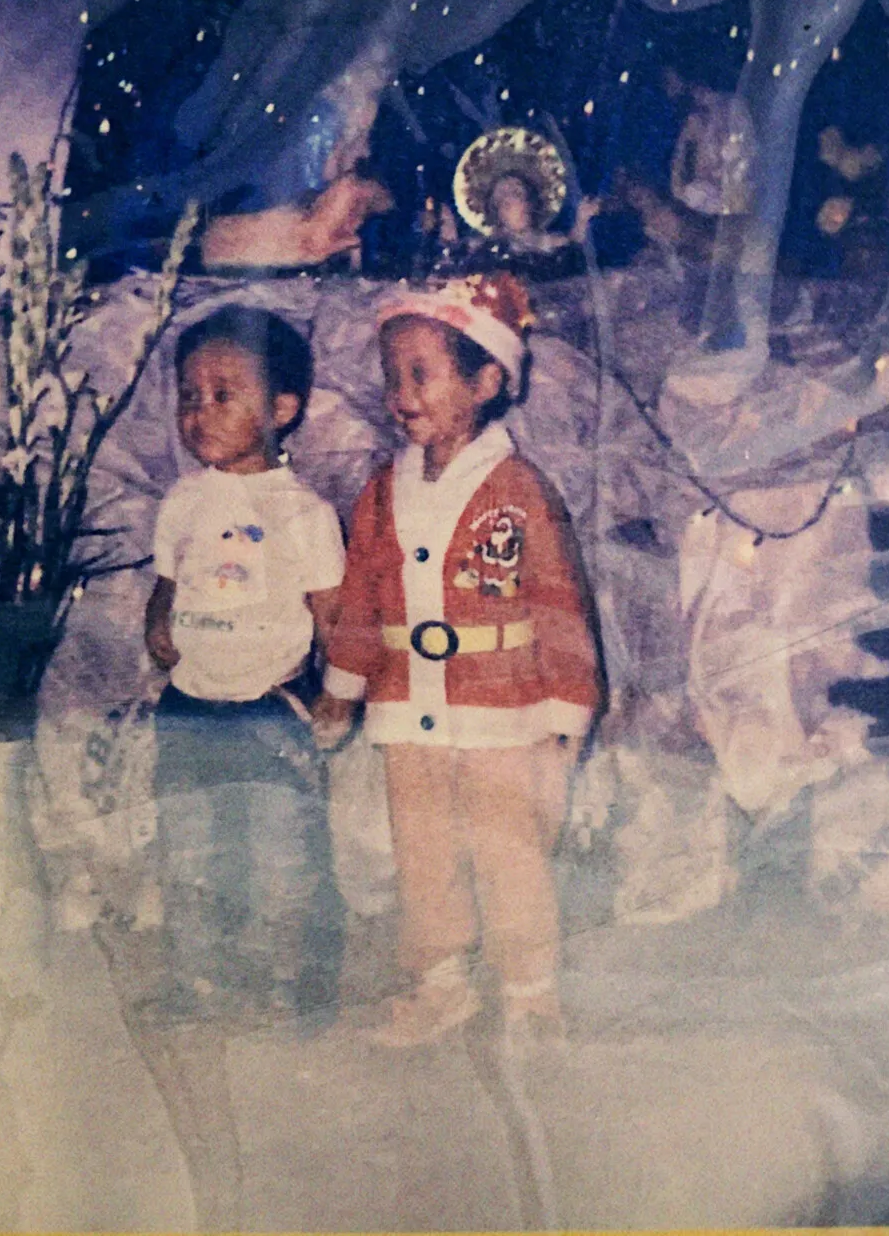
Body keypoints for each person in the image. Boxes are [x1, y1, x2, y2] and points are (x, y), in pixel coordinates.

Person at [311, 272, 602, 1047]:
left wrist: (566, 710)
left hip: (503, 709)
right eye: (392, 377)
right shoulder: (384, 492)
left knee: (510, 855)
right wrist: (342, 687)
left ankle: (530, 992)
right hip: (407, 705)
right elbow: (363, 596)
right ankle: (441, 984)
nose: (401, 394)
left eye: (421, 374)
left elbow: (557, 601)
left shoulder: (518, 489)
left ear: (486, 381)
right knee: (424, 854)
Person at [145, 305, 346, 1021]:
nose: (199, 412)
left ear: (282, 410)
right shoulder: (183, 501)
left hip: (271, 704)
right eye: (189, 396)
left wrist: (340, 692)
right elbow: (169, 578)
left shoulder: (303, 512)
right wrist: (158, 619)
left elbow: (333, 613)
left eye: (223, 395)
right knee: (189, 846)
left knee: (281, 846)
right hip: (189, 703)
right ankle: (198, 977)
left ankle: (290, 980)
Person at [437, 127, 601, 280]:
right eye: (503, 196)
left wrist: (581, 221)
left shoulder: (549, 242)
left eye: (516, 193)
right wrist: (449, 240)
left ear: (529, 202)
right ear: (495, 208)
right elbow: (453, 267)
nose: (510, 200)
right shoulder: (482, 248)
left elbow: (575, 252)